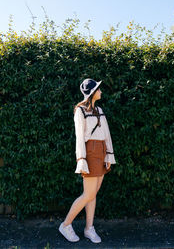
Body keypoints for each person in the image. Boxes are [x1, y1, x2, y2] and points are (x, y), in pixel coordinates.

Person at [58, 78, 116, 243]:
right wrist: (81, 159)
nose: (101, 91)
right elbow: (79, 138)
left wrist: (109, 155)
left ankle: (89, 229)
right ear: (92, 92)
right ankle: (66, 224)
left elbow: (106, 134)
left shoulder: (99, 110)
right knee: (88, 193)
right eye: (98, 89)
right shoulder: (80, 111)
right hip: (89, 153)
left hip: (101, 151)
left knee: (93, 194)